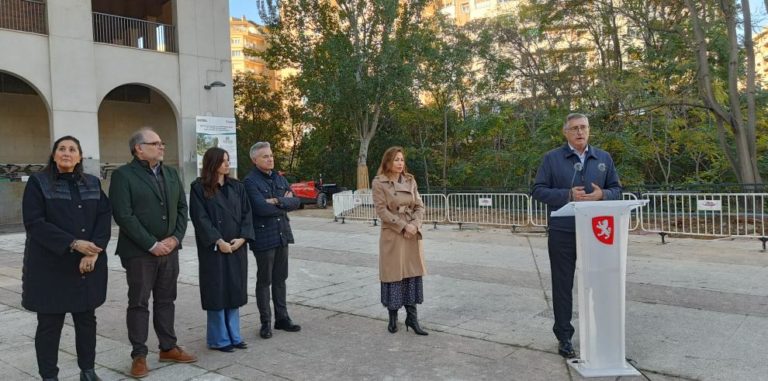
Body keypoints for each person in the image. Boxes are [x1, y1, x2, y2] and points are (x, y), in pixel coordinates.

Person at [21, 136, 112, 381]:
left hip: (87, 266)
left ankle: (88, 370)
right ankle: (49, 376)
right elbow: (34, 223)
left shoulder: (93, 183)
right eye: (61, 149)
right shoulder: (38, 183)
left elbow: (104, 219)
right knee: (50, 325)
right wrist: (73, 244)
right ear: (53, 155)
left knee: (86, 321)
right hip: (51, 269)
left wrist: (93, 251)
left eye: (72, 149)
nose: (66, 153)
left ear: (80, 157)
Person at [532, 113, 622, 358]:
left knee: (598, 284)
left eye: (584, 127)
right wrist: (567, 195)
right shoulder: (552, 159)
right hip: (563, 232)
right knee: (562, 286)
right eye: (574, 128)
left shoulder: (604, 158)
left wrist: (602, 195)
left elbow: (617, 190)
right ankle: (564, 337)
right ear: (566, 132)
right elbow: (538, 190)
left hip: (597, 232)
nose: (580, 132)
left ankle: (601, 333)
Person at [109, 128, 196, 378]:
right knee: (139, 302)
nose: (162, 147)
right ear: (139, 148)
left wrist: (174, 238)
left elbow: (182, 207)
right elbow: (123, 215)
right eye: (155, 143)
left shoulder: (170, 173)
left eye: (162, 142)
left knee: (166, 299)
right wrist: (151, 244)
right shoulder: (123, 176)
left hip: (170, 250)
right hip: (139, 253)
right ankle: (139, 355)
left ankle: (168, 347)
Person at [189, 147, 254, 352]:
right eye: (223, 161)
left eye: (228, 160)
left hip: (236, 247)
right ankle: (219, 339)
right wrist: (218, 241)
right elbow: (200, 218)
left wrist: (243, 238)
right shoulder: (199, 188)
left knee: (234, 289)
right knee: (217, 291)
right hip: (214, 249)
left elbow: (247, 214)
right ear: (212, 163)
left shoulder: (237, 186)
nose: (227, 164)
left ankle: (234, 335)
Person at [243, 142, 302, 339]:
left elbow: (296, 201)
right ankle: (265, 321)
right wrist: (283, 202)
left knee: (280, 278)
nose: (270, 159)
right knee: (265, 280)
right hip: (263, 236)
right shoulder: (250, 181)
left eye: (271, 155)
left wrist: (277, 201)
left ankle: (282, 318)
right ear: (255, 160)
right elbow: (260, 208)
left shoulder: (278, 177)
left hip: (281, 233)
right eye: (265, 156)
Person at [371, 146, 428, 336]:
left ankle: (412, 318)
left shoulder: (410, 180)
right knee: (394, 276)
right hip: (394, 234)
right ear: (387, 162)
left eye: (402, 160)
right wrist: (403, 226)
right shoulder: (379, 182)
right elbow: (382, 211)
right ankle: (393, 317)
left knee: (411, 275)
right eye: (396, 159)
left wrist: (415, 225)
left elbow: (419, 205)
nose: (400, 163)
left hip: (411, 234)